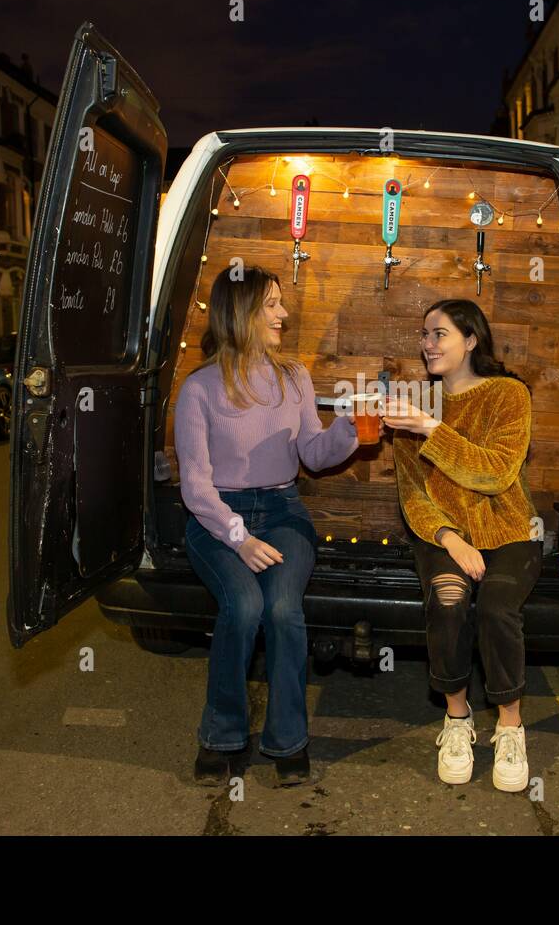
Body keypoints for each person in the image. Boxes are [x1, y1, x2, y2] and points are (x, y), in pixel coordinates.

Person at [174, 265, 367, 786]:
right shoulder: (199, 389)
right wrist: (239, 538)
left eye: (282, 303)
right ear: (240, 313)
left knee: (283, 610)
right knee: (244, 605)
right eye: (272, 305)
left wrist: (350, 429)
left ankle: (287, 741)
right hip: (216, 519)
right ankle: (222, 736)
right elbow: (195, 486)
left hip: (283, 511)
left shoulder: (294, 377)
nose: (284, 313)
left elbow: (313, 454)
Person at [384, 298, 542, 792]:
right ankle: (456, 719)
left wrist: (431, 428)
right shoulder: (416, 403)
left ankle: (510, 727)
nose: (427, 343)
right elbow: (412, 494)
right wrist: (450, 539)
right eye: (424, 335)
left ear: (471, 339)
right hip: (444, 535)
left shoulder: (508, 395)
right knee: (450, 600)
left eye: (439, 334)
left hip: (510, 529)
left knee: (496, 605)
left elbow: (495, 473)